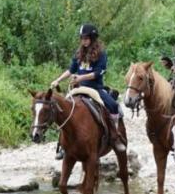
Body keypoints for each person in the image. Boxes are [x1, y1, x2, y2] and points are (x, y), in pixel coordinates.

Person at [49, 22, 126, 155]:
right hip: (78, 89)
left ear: (93, 38)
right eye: (82, 38)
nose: (83, 41)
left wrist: (80, 78)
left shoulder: (101, 54)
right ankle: (62, 144)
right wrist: (57, 80)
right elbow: (71, 70)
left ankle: (115, 136)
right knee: (63, 111)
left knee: (113, 105)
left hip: (95, 88)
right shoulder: (79, 53)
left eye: (86, 38)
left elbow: (99, 72)